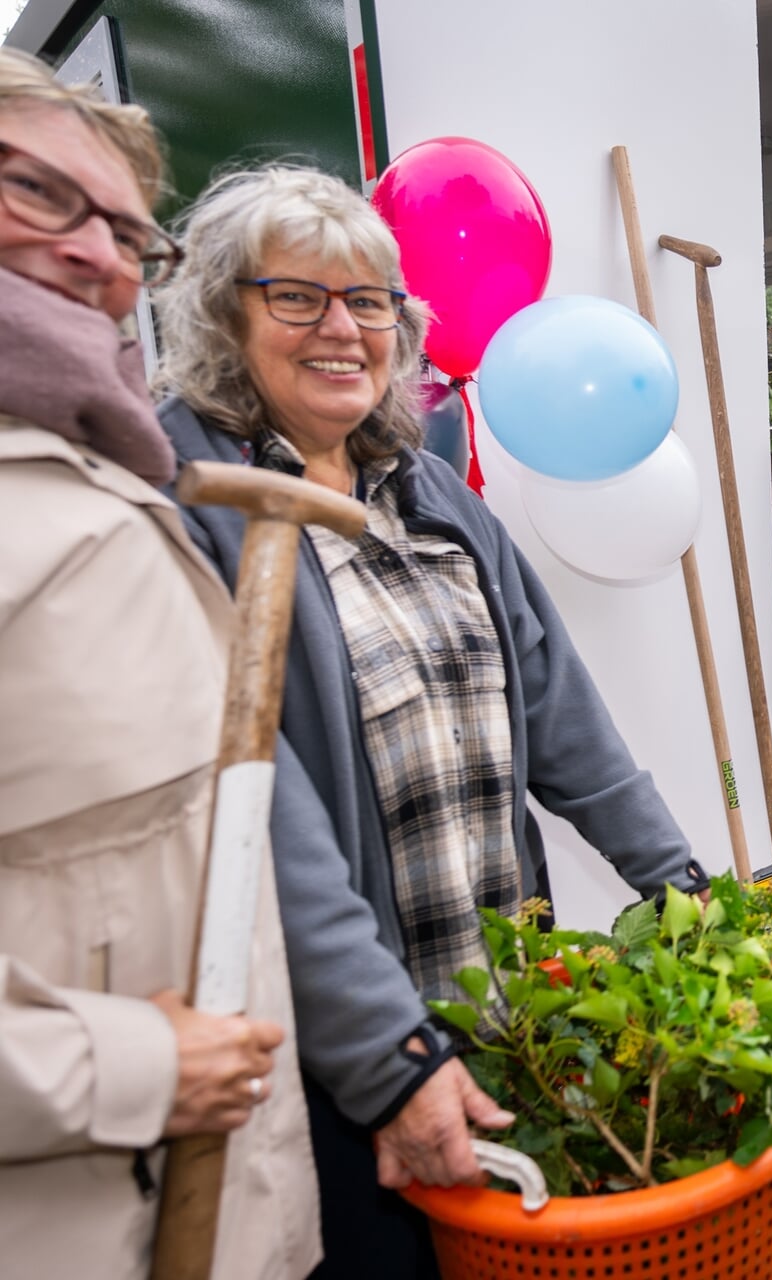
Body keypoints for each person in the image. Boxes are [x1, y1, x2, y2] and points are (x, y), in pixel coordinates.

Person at [150, 165, 709, 1279]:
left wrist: (682, 886)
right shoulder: (196, 511)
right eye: (296, 296)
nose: (342, 328)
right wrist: (388, 1057)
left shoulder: (431, 493)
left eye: (369, 301)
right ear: (222, 313)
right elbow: (256, 827)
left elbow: (559, 712)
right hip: (338, 1050)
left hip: (500, 1004)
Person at [0, 50, 318, 1280]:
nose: (98, 255)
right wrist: (121, 1065)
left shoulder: (108, 474)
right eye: (37, 190)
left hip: (219, 1206)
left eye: (131, 233)